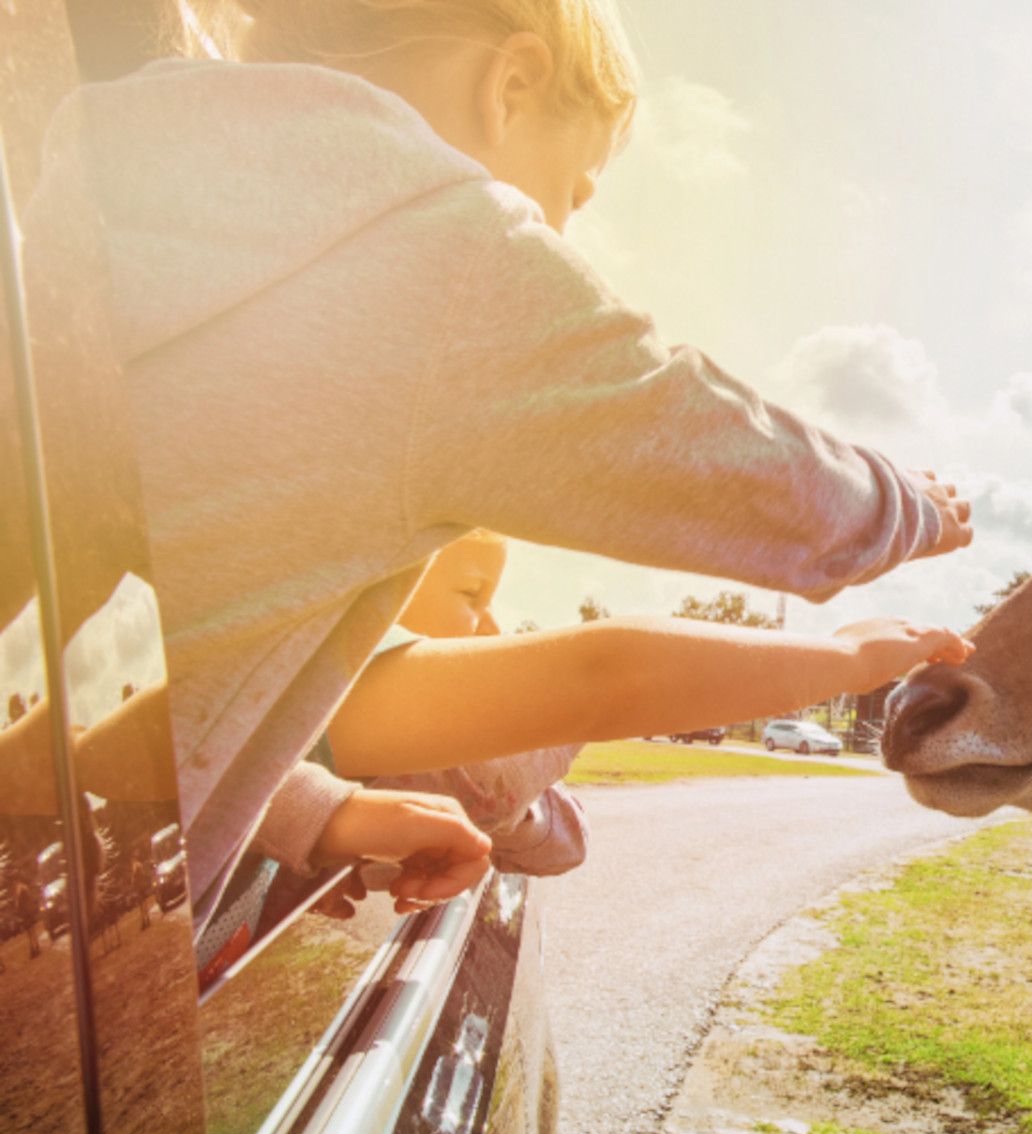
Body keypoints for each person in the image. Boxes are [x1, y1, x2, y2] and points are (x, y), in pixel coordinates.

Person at [26, 0, 973, 910]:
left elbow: (140, 660)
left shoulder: (88, 168)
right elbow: (702, 442)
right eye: (572, 191)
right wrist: (905, 509)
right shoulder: (441, 255)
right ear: (509, 86)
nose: (561, 231)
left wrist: (313, 805)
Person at [289, 529, 971, 914]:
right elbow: (608, 678)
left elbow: (559, 834)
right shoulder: (322, 693)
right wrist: (849, 656)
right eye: (473, 595)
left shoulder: (312, 755)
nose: (495, 627)